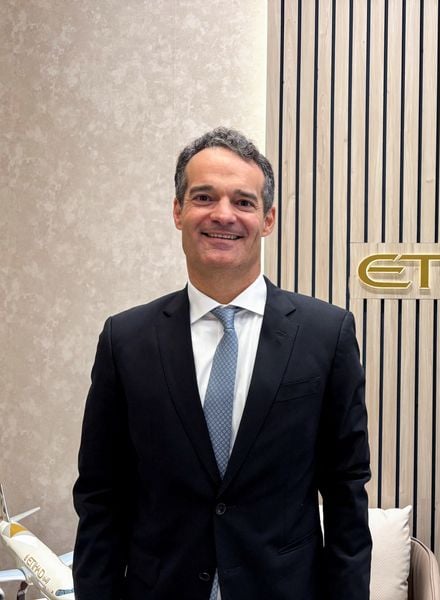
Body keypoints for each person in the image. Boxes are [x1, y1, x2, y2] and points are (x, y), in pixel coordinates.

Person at [72, 127, 372, 599]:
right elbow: (100, 497)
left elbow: (345, 490)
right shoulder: (125, 340)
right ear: (178, 210)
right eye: (204, 197)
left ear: (268, 219)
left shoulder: (325, 334)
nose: (223, 214)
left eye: (244, 201)